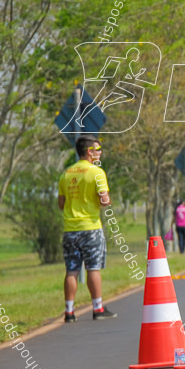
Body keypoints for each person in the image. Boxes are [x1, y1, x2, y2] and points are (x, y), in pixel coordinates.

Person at [57, 136, 117, 323]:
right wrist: (106, 200)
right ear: (89, 151)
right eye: (98, 149)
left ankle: (69, 312)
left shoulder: (66, 174)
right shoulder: (97, 173)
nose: (100, 152)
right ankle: (98, 308)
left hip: (70, 230)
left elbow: (61, 204)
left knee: (72, 270)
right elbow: (104, 200)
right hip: (90, 228)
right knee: (93, 268)